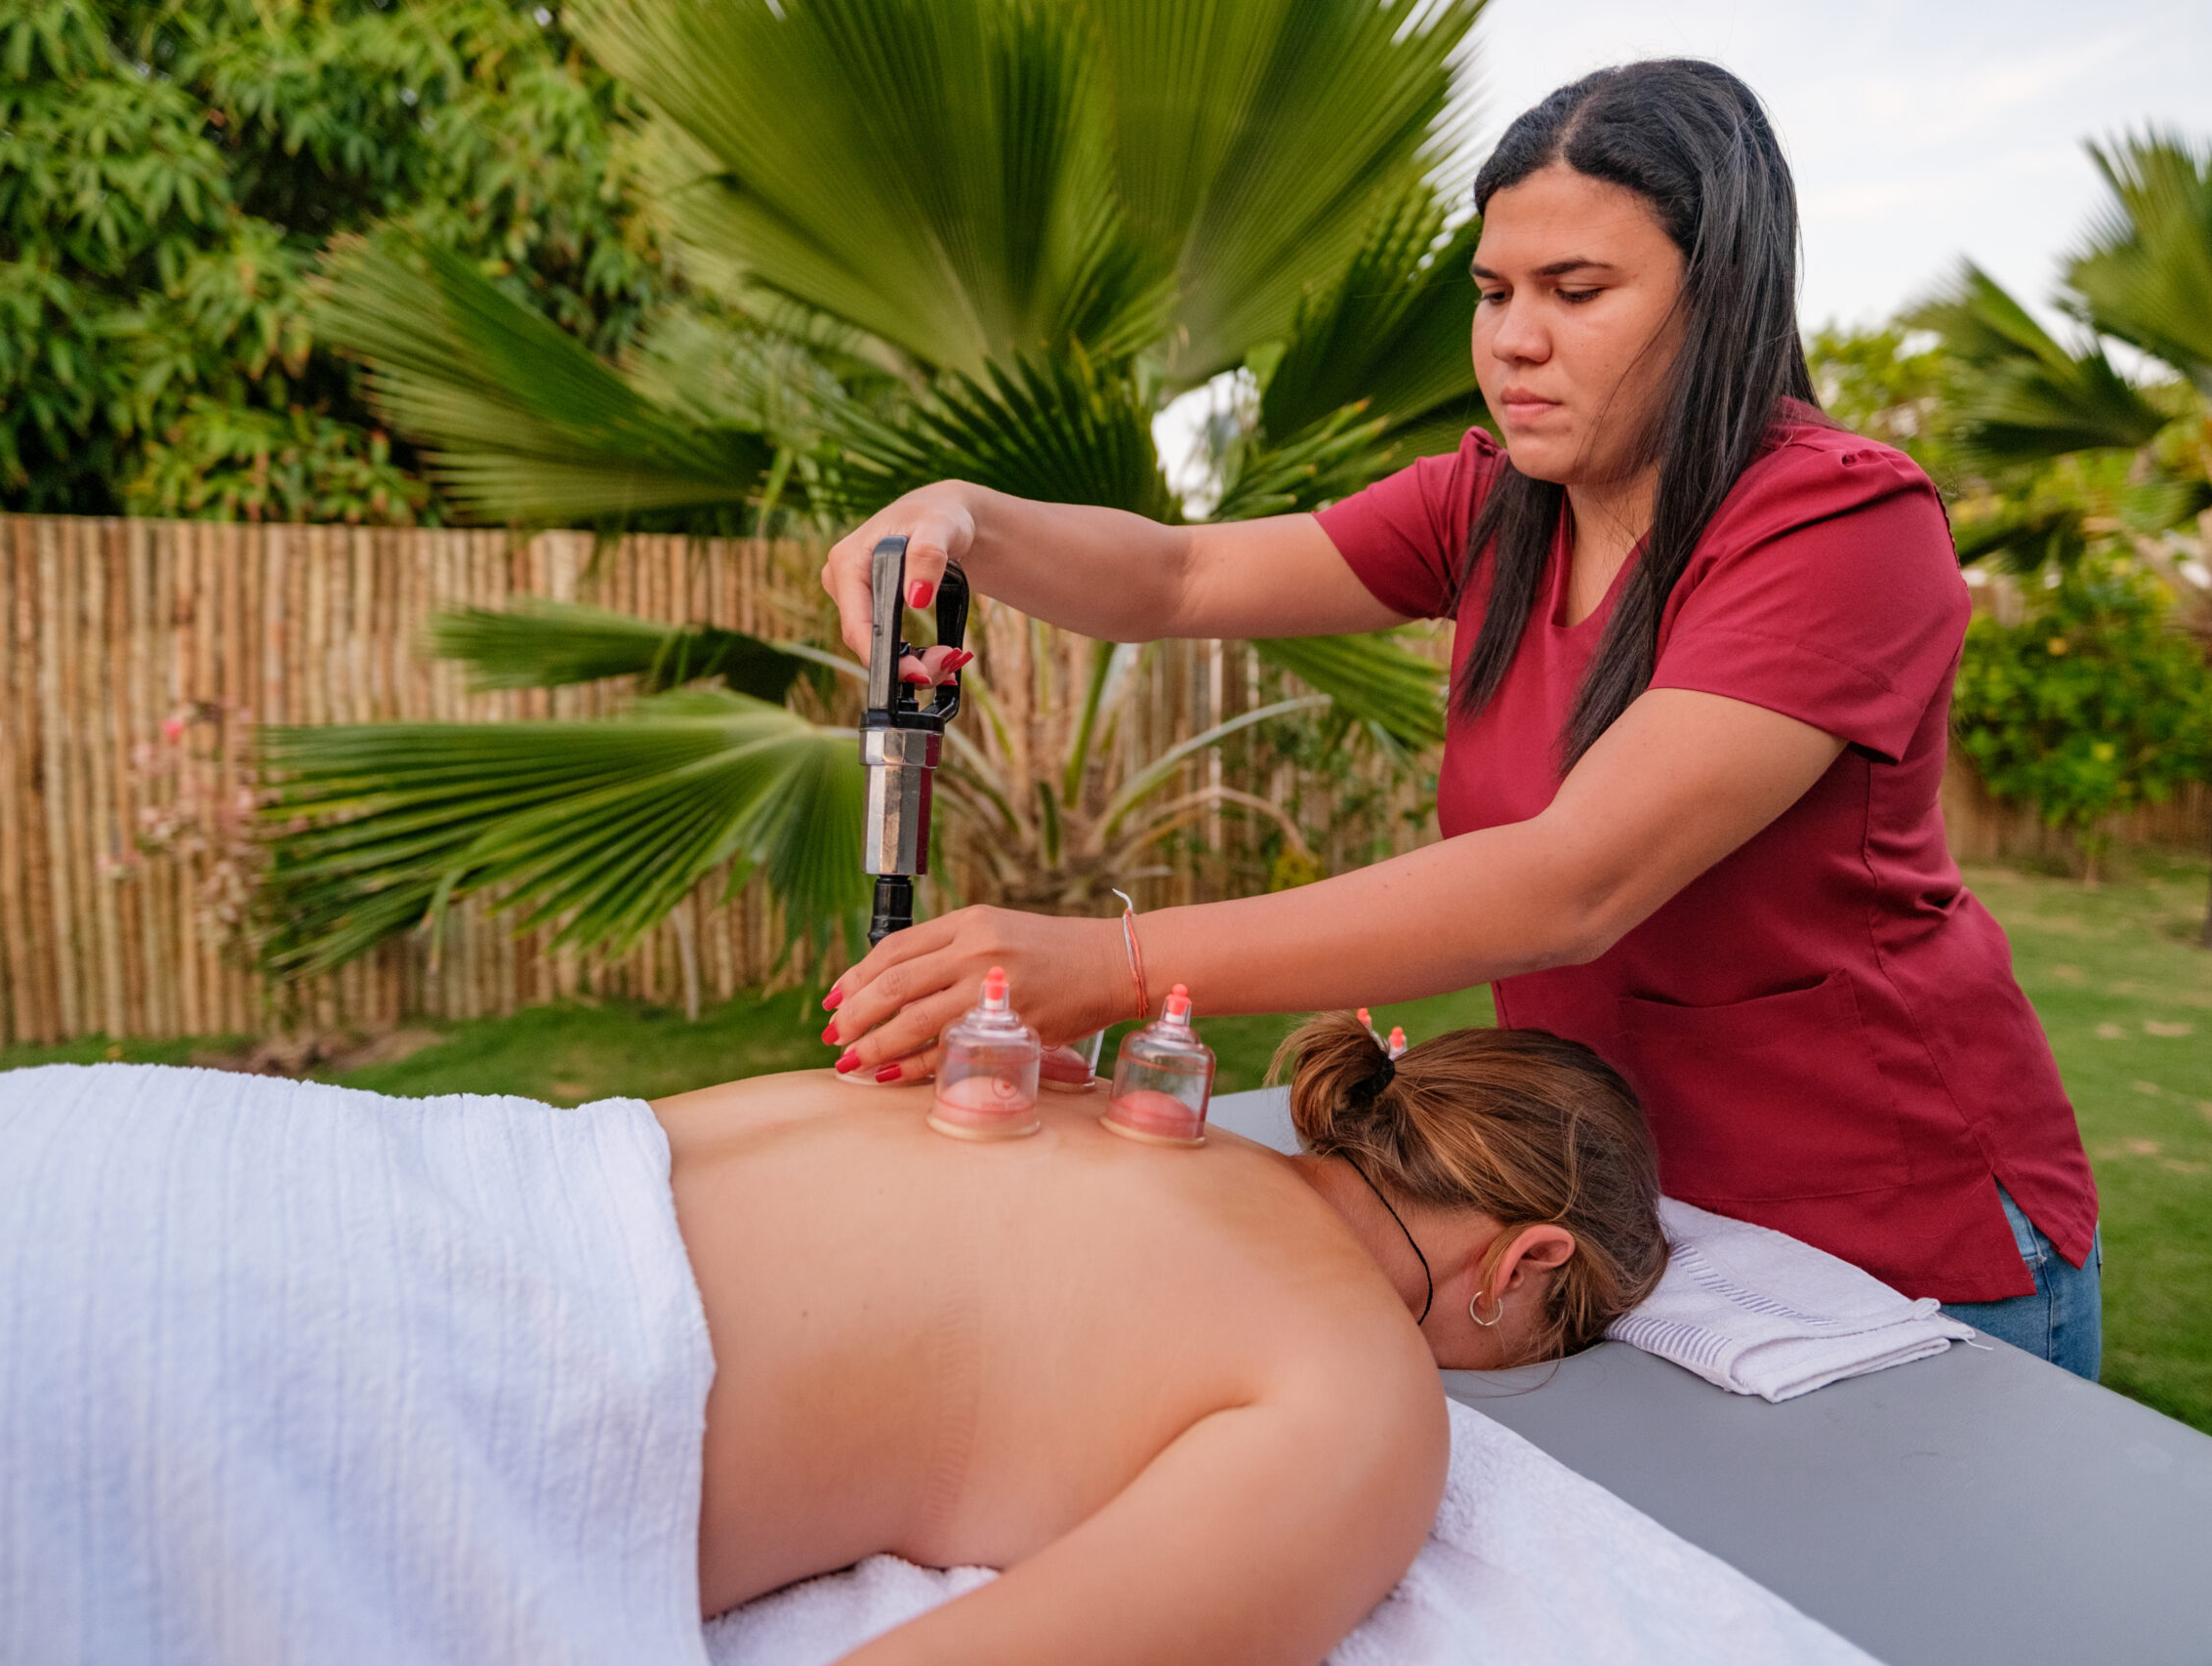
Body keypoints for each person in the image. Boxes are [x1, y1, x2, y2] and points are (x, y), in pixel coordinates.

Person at [814, 60, 2100, 1373]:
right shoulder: (1496, 504)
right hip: (1612, 1208)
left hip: (1893, 1225)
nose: (1513, 341)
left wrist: (1116, 964)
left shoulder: (1841, 524)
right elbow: (1179, 576)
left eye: (1576, 292)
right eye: (1494, 293)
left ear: (1723, 295)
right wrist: (966, 515)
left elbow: (1576, 881)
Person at [0, 1022, 1664, 1666]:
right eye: (1559, 1328)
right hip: (248, 1378)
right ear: (1525, 1263)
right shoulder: (1356, 1394)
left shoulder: (1066, 1087)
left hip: (118, 1156)